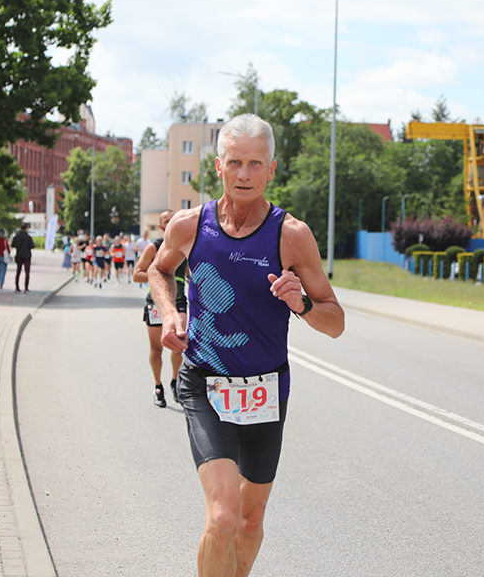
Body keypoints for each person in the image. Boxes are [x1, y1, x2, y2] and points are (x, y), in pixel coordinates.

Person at [148, 114, 344, 577]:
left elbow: (334, 322)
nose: (243, 174)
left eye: (255, 164)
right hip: (204, 382)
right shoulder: (190, 226)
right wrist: (172, 312)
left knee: (251, 524)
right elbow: (158, 270)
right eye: (235, 162)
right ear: (217, 166)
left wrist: (301, 305)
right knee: (223, 518)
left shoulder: (291, 235)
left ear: (271, 170)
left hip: (265, 390)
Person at [133, 210, 187, 408]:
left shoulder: (185, 245)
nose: (171, 223)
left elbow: (190, 272)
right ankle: (158, 386)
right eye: (167, 221)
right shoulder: (153, 247)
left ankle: (175, 381)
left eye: (174, 220)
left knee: (179, 343)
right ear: (161, 226)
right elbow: (136, 274)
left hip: (179, 299)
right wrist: (159, 277)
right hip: (155, 302)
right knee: (156, 350)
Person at [11, 223, 35, 293]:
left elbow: (13, 245)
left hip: (19, 255)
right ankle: (26, 288)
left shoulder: (16, 236)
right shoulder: (28, 237)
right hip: (27, 256)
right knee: (27, 273)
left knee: (18, 271)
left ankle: (17, 287)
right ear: (26, 228)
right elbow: (32, 246)